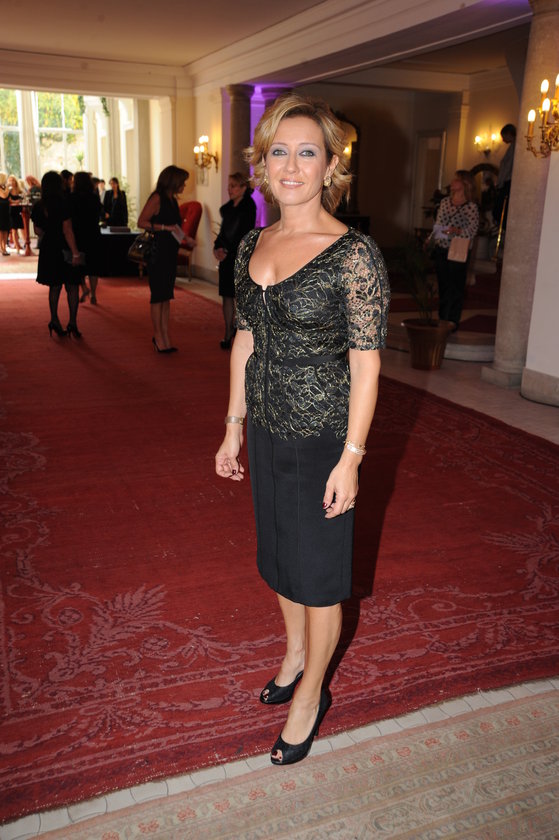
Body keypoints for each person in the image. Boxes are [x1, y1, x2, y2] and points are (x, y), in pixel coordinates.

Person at [215, 93, 390, 766]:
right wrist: (232, 425)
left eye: (306, 152)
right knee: (280, 559)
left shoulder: (353, 254)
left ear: (330, 166)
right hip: (265, 428)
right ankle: (293, 655)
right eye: (278, 152)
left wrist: (352, 457)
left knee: (318, 578)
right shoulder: (253, 244)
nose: (290, 166)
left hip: (322, 437)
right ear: (262, 164)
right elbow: (245, 340)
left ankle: (311, 695)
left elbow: (367, 364)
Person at [137, 165, 194, 352]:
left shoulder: (172, 200)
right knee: (158, 296)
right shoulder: (157, 198)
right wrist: (164, 228)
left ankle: (164, 335)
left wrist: (185, 239)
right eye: (182, 182)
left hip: (170, 252)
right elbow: (141, 222)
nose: (184, 186)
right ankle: (158, 337)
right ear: (173, 181)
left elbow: (175, 228)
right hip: (158, 252)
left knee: (166, 296)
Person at [31, 171, 83, 337]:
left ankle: (54, 319)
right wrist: (75, 253)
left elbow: (38, 231)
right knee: (72, 286)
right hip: (64, 248)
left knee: (54, 286)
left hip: (49, 248)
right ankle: (72, 323)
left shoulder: (39, 206)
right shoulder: (64, 203)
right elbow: (67, 230)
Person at [431, 170, 479, 330]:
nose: (452, 182)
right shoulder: (445, 202)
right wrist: (441, 234)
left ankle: (453, 320)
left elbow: (472, 230)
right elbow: (439, 225)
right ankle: (442, 318)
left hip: (459, 250)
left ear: (465, 184)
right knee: (443, 285)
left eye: (456, 179)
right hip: (442, 248)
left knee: (456, 286)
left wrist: (456, 231)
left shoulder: (471, 207)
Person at [213, 172, 257, 349]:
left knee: (239, 297)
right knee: (226, 295)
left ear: (243, 188)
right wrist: (217, 248)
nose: (229, 189)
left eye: (233, 186)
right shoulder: (228, 208)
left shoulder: (248, 207)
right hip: (226, 256)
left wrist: (228, 251)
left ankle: (240, 334)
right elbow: (223, 232)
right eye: (228, 186)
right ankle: (227, 332)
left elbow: (243, 234)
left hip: (239, 257)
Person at [69, 171, 103, 305]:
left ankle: (84, 287)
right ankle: (94, 294)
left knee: (79, 265)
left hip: (78, 235)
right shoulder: (94, 197)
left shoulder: (72, 198)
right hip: (93, 234)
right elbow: (99, 213)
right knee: (93, 266)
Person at [493, 123, 516, 233]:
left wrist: (500, 182)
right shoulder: (512, 147)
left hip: (507, 181)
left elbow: (508, 166)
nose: (503, 140)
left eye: (503, 136)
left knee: (499, 209)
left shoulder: (515, 147)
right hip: (506, 181)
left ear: (508, 134)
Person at [7, 175, 24, 252]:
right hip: (11, 212)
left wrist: (17, 201)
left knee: (20, 228)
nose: (12, 182)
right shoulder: (8, 190)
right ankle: (17, 247)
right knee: (14, 230)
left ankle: (20, 244)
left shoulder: (19, 190)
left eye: (13, 180)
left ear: (15, 181)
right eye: (10, 180)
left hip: (18, 212)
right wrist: (16, 201)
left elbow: (22, 198)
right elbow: (9, 200)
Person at [0, 173, 10, 256]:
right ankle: (1, 248)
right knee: (0, 230)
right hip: (0, 211)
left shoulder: (4, 187)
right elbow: (4, 195)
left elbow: (8, 197)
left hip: (6, 211)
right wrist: (8, 188)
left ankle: (5, 247)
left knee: (6, 229)